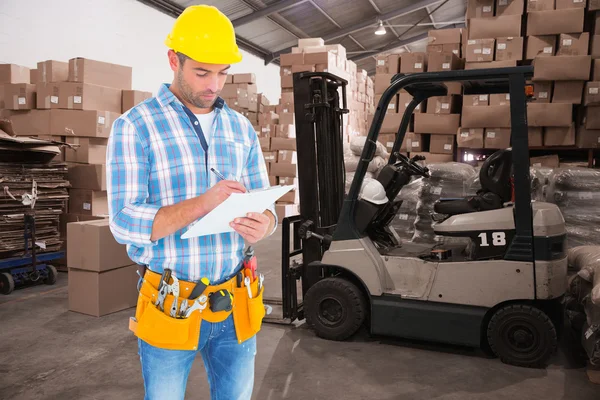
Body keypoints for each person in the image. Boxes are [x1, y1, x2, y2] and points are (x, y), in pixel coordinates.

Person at [106, 4, 277, 400]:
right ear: (173, 60)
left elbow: (262, 202)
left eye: (222, 73)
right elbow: (124, 222)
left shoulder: (240, 128)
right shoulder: (136, 126)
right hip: (171, 302)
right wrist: (203, 204)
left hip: (235, 301)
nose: (214, 84)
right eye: (202, 72)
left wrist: (265, 223)